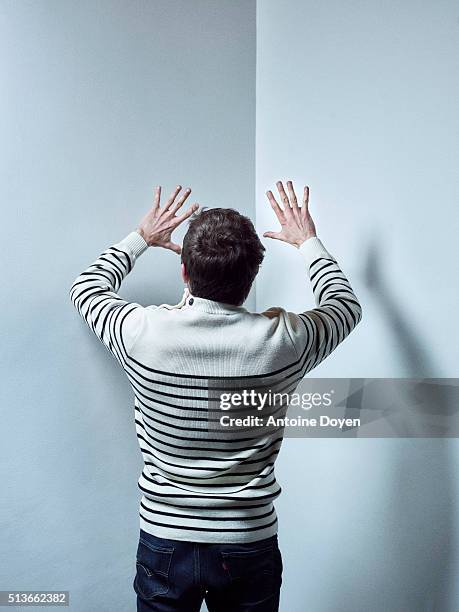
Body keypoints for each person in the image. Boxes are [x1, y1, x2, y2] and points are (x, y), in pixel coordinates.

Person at [69, 180, 362, 611]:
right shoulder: (285, 341)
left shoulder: (142, 334)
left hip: (165, 537)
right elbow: (345, 305)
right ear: (251, 277)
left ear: (184, 272)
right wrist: (307, 242)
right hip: (248, 541)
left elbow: (86, 288)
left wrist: (142, 238)